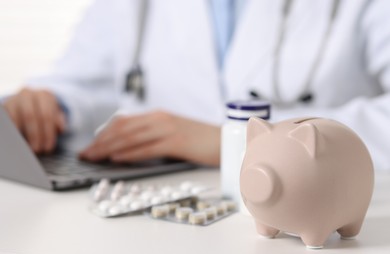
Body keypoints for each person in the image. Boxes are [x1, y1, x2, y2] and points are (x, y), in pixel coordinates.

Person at [2, 0, 390, 170]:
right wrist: (47, 104)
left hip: (315, 209)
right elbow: (79, 81)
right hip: (161, 210)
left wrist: (238, 142)